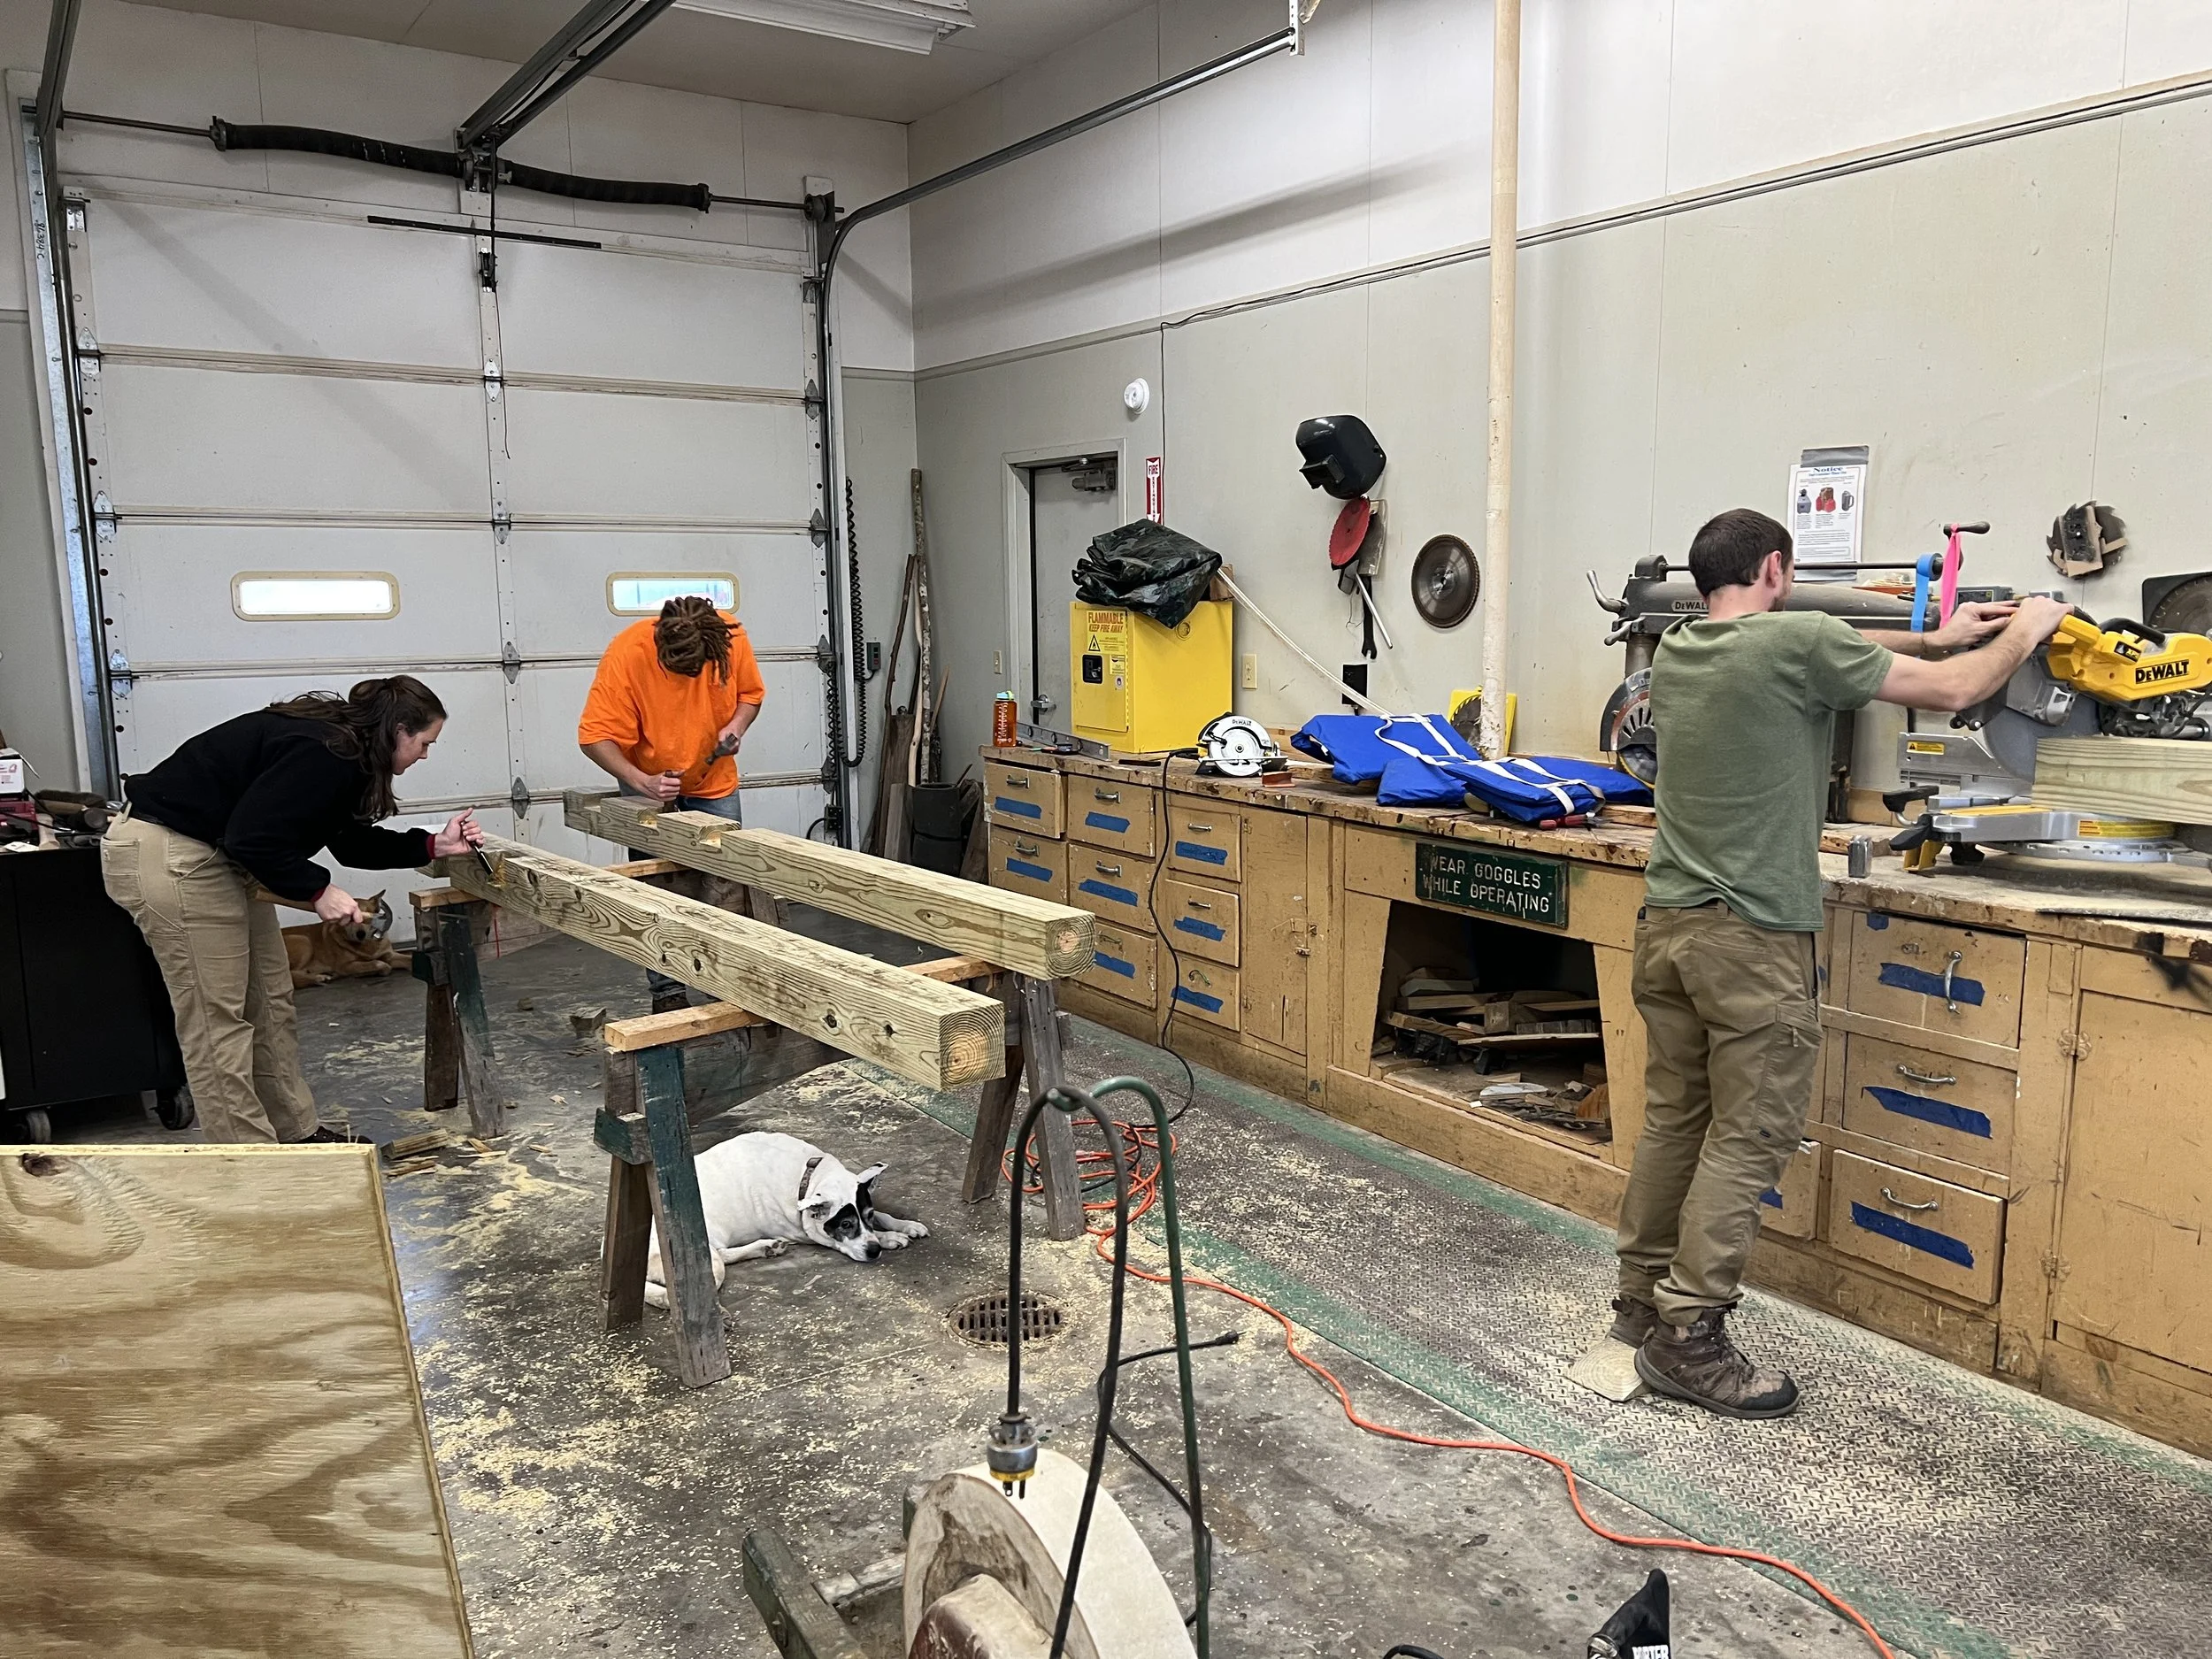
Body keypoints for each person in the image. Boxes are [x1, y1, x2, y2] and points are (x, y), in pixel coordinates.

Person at [1611, 508, 2069, 1418]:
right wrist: (2026, 626)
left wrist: (1933, 633)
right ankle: (1688, 1335)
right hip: (1751, 940)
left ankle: (1640, 1301)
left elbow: (1814, 645)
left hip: (1668, 929)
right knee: (1749, 1137)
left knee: (1675, 1122)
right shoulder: (1796, 643)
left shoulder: (1680, 651)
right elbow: (1949, 692)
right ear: (1777, 568)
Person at [102, 676, 486, 1144]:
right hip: (173, 854)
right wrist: (317, 891)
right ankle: (254, 1167)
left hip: (221, 857)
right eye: (424, 743)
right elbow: (252, 837)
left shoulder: (347, 754)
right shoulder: (322, 751)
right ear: (398, 729)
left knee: (270, 1001)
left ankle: (296, 1135)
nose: (425, 755)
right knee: (217, 1020)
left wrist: (433, 844)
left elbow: (347, 840)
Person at [578, 595, 766, 1012]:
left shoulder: (729, 635)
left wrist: (736, 725)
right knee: (656, 886)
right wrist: (638, 779)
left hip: (713, 781)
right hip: (649, 784)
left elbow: (751, 695)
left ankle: (726, 984)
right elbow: (594, 737)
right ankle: (667, 990)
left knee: (726, 881)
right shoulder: (628, 652)